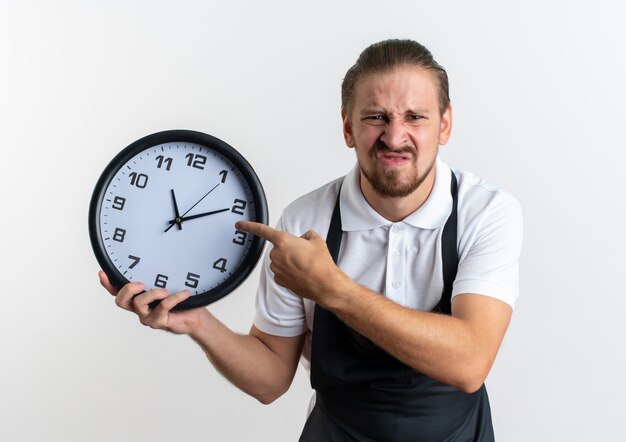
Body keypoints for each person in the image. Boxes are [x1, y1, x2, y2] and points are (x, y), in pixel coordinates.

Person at [99, 39, 522, 441]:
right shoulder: (306, 219)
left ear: (445, 124)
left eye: (415, 117)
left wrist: (330, 288)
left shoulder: (484, 212)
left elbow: (470, 363)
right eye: (375, 117)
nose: (394, 137)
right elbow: (269, 380)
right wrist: (196, 323)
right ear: (347, 127)